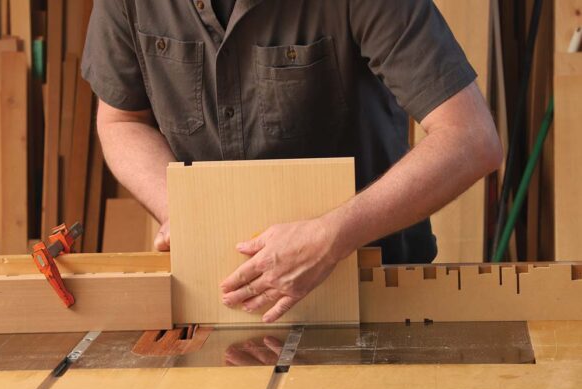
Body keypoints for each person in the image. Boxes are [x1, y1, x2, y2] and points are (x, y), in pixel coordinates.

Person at [82, 0, 503, 323]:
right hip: (220, 298)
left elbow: (469, 136)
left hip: (372, 290)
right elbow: (122, 120)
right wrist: (185, 212)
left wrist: (331, 236)